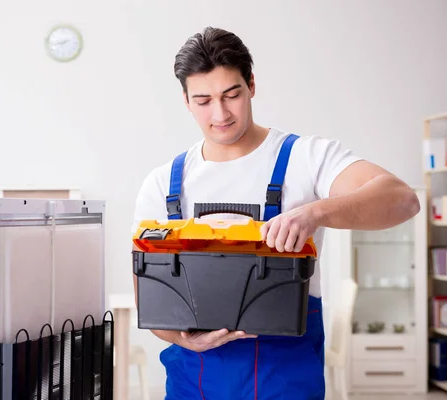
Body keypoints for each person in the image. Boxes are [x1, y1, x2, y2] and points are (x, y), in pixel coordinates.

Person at [130, 26, 420, 399]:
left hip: (285, 380)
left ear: (251, 84)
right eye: (203, 101)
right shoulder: (163, 184)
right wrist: (183, 339)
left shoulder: (306, 157)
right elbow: (147, 298)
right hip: (194, 381)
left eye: (231, 95)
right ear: (186, 100)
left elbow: (401, 199)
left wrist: (315, 213)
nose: (219, 114)